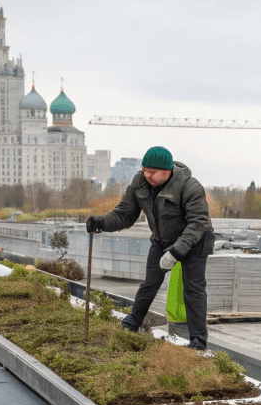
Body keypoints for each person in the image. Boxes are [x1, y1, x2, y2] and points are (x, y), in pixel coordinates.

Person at [86, 146, 215, 349]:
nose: (147, 175)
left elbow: (198, 223)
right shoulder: (140, 182)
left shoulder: (190, 187)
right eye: (144, 170)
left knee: (193, 290)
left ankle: (198, 340)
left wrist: (175, 252)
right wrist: (101, 223)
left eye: (152, 172)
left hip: (195, 241)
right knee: (149, 284)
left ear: (167, 170)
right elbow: (124, 214)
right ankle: (131, 324)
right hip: (162, 239)